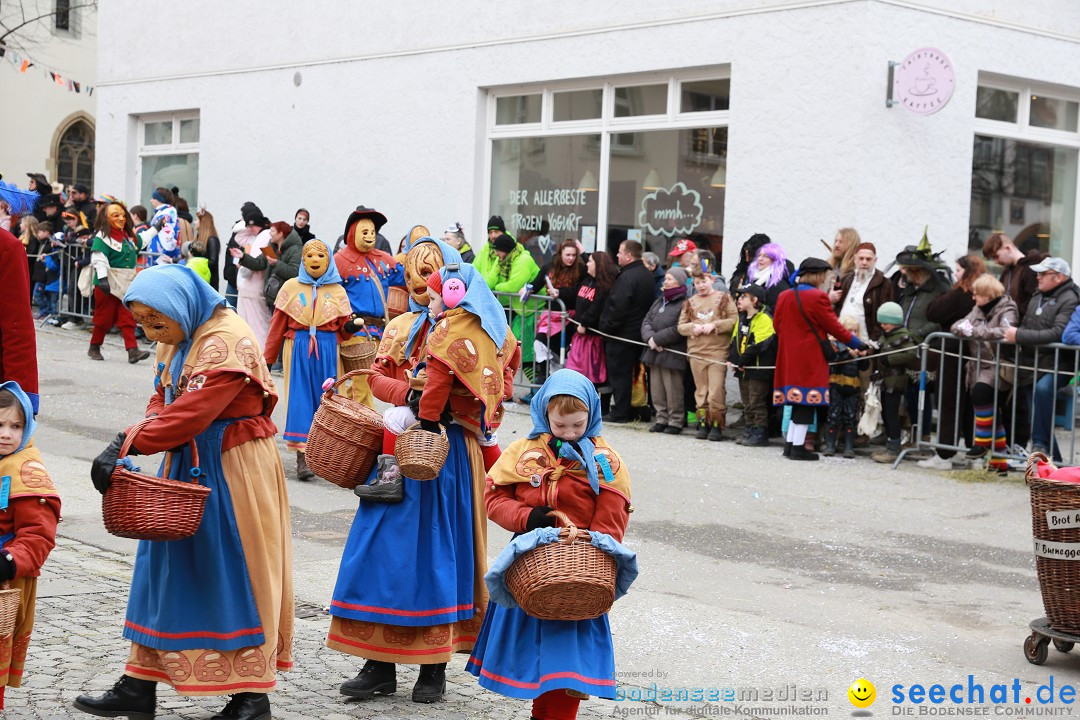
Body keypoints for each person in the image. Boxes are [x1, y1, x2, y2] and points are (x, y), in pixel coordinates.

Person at [77, 264, 293, 720]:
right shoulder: (177, 333)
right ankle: (139, 684)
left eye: (157, 321)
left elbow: (192, 413)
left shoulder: (226, 341)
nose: (153, 331)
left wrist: (125, 443)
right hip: (188, 461)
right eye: (144, 323)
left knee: (235, 573)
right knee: (163, 570)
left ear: (179, 305)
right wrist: (144, 427)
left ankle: (252, 697)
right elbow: (164, 396)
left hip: (233, 469)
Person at [328, 238, 520, 706]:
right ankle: (379, 664)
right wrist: (412, 395)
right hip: (401, 453)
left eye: (433, 282)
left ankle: (434, 668)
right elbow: (374, 379)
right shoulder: (399, 330)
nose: (424, 292)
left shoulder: (488, 330)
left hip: (453, 456)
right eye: (417, 281)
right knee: (384, 553)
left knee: (444, 553)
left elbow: (503, 386)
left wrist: (462, 393)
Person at [467, 369, 633, 720]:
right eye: (561, 426)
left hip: (577, 574)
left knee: (566, 665)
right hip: (530, 569)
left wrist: (592, 548)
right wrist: (528, 518)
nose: (571, 433)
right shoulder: (523, 452)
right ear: (544, 415)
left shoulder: (606, 461)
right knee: (533, 658)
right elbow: (494, 498)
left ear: (592, 414)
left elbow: (613, 512)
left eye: (578, 424)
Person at [263, 239, 354, 482]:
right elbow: (277, 326)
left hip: (328, 348)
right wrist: (267, 360)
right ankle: (303, 457)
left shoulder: (337, 291)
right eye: (310, 256)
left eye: (320, 255)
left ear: (329, 260)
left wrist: (351, 326)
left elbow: (344, 332)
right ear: (303, 260)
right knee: (300, 399)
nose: (315, 260)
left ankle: (327, 455)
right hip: (299, 346)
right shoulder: (291, 287)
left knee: (328, 400)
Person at [0, 382, 60, 710]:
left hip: (6, 577)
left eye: (16, 426)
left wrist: (10, 560)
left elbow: (38, 536)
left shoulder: (27, 473)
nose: (7, 434)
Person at [773, 258, 865, 461]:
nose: (825, 279)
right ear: (818, 275)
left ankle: (791, 444)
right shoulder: (818, 297)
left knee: (795, 401)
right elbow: (835, 327)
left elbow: (777, 326)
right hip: (809, 356)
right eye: (824, 275)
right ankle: (798, 448)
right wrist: (858, 344)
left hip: (788, 355)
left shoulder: (784, 295)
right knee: (806, 401)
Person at [1005, 257, 1080, 460]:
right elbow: (1029, 323)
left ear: (1059, 276)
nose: (1037, 277)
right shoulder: (1038, 295)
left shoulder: (1070, 298)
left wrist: (1019, 335)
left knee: (1043, 390)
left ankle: (1039, 446)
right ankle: (1054, 463)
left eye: (1043, 274)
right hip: (1031, 361)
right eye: (1038, 273)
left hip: (1058, 362)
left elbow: (1058, 333)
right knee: (1037, 415)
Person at [333, 206, 406, 406]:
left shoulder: (383, 258)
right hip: (356, 330)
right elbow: (332, 297)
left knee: (373, 382)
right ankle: (360, 428)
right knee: (360, 385)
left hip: (380, 332)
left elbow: (407, 277)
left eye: (373, 232)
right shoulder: (339, 260)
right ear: (353, 233)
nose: (370, 236)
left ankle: (355, 422)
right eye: (365, 232)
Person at [918, 255, 985, 469]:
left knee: (949, 400)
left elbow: (933, 311)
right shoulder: (982, 293)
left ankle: (945, 454)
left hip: (955, 354)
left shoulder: (960, 294)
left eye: (958, 270)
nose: (955, 273)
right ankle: (974, 453)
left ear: (967, 271)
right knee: (970, 403)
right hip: (975, 355)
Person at [951, 275, 1019, 473]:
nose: (973, 298)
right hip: (977, 365)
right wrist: (969, 329)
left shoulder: (1008, 308)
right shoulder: (978, 309)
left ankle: (981, 443)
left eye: (977, 295)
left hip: (998, 365)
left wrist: (974, 331)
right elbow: (958, 325)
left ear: (988, 295)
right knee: (991, 412)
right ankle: (1000, 464)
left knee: (981, 394)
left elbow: (1005, 331)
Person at [88, 200, 151, 364]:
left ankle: (132, 350)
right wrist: (102, 278)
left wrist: (157, 227)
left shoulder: (127, 237)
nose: (121, 218)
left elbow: (142, 240)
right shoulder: (103, 236)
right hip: (107, 282)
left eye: (123, 215)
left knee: (127, 316)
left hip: (125, 283)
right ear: (106, 217)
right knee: (104, 318)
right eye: (116, 215)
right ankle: (94, 346)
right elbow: (99, 257)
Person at [679, 265, 737, 440]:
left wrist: (715, 325)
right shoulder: (690, 302)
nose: (701, 285)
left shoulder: (724, 298)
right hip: (697, 351)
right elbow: (681, 326)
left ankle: (717, 423)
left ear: (711, 279)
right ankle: (703, 421)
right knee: (701, 390)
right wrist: (693, 328)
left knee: (716, 389)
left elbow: (733, 320)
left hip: (717, 352)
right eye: (697, 282)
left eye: (703, 281)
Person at [599, 241, 655, 423]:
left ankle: (621, 412)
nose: (617, 256)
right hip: (636, 334)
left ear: (629, 256)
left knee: (620, 375)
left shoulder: (628, 277)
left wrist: (605, 328)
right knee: (631, 375)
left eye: (620, 252)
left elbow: (618, 307)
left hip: (621, 335)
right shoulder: (646, 274)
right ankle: (631, 409)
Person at [528, 238, 585, 397]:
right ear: (560, 254)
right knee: (539, 342)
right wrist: (527, 290)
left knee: (561, 353)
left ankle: (560, 384)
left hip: (569, 317)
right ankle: (543, 374)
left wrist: (560, 293)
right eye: (568, 255)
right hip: (550, 316)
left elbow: (579, 292)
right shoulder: (549, 267)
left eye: (574, 255)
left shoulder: (580, 269)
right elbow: (536, 284)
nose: (571, 258)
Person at [641, 266, 688, 435]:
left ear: (679, 282)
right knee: (657, 388)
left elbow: (679, 328)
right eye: (666, 278)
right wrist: (650, 338)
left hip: (672, 352)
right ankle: (661, 418)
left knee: (672, 388)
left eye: (669, 279)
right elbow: (646, 321)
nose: (665, 281)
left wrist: (658, 339)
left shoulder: (684, 303)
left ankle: (675, 420)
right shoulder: (659, 300)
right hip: (654, 350)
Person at [871, 302, 920, 464]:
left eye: (886, 322)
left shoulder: (903, 336)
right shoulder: (886, 335)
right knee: (885, 413)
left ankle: (894, 448)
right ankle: (890, 443)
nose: (883, 325)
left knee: (892, 414)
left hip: (896, 380)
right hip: (885, 379)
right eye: (881, 322)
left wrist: (889, 359)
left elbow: (912, 354)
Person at [728, 283, 776, 447]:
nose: (739, 300)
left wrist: (742, 361)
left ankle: (760, 432)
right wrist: (734, 359)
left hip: (757, 369)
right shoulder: (741, 319)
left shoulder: (764, 318)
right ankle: (749, 429)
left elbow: (759, 344)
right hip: (744, 369)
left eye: (743, 297)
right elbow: (734, 340)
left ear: (754, 300)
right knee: (747, 402)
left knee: (757, 402)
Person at [565, 251, 617, 403]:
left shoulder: (604, 286)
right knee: (575, 371)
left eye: (590, 262)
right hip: (580, 335)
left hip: (593, 337)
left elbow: (597, 307)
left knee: (593, 374)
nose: (587, 264)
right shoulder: (586, 281)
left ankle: (596, 404)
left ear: (598, 265)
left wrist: (585, 323)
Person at [823, 316, 867, 458]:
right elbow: (834, 361)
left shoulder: (859, 345)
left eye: (855, 330)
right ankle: (830, 445)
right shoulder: (835, 344)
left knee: (850, 417)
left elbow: (864, 367)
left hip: (853, 385)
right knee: (833, 416)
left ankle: (849, 447)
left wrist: (863, 356)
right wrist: (848, 354)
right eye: (850, 330)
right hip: (836, 384)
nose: (853, 334)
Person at [829, 242, 893, 341]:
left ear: (875, 260)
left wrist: (873, 343)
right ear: (855, 259)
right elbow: (835, 308)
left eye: (868, 259)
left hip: (866, 341)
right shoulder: (845, 279)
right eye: (861, 258)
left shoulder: (883, 283)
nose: (864, 262)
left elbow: (885, 318)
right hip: (841, 340)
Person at [228, 211, 273, 348]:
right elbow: (238, 236)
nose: (249, 229)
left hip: (255, 289)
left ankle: (262, 355)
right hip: (246, 288)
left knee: (258, 325)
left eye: (252, 226)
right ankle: (248, 353)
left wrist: (243, 258)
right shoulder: (253, 237)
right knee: (245, 325)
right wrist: (247, 224)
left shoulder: (266, 237)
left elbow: (259, 263)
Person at [982, 232, 1047, 317]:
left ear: (1008, 248)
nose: (996, 262)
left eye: (996, 256)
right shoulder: (1007, 271)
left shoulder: (1031, 269)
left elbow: (1031, 302)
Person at [138, 187, 181, 266]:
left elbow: (168, 239)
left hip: (159, 259)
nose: (151, 200)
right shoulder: (168, 212)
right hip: (160, 257)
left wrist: (163, 258)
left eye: (153, 198)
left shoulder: (164, 215)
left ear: (159, 200)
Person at [745, 242, 792, 312]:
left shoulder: (778, 284)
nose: (760, 259)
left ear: (775, 260)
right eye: (759, 255)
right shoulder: (754, 278)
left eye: (766, 256)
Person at [194, 208, 222, 291]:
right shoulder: (199, 237)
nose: (194, 222)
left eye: (196, 220)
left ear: (202, 222)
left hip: (208, 281)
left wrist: (196, 263)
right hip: (200, 278)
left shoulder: (212, 240)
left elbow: (213, 261)